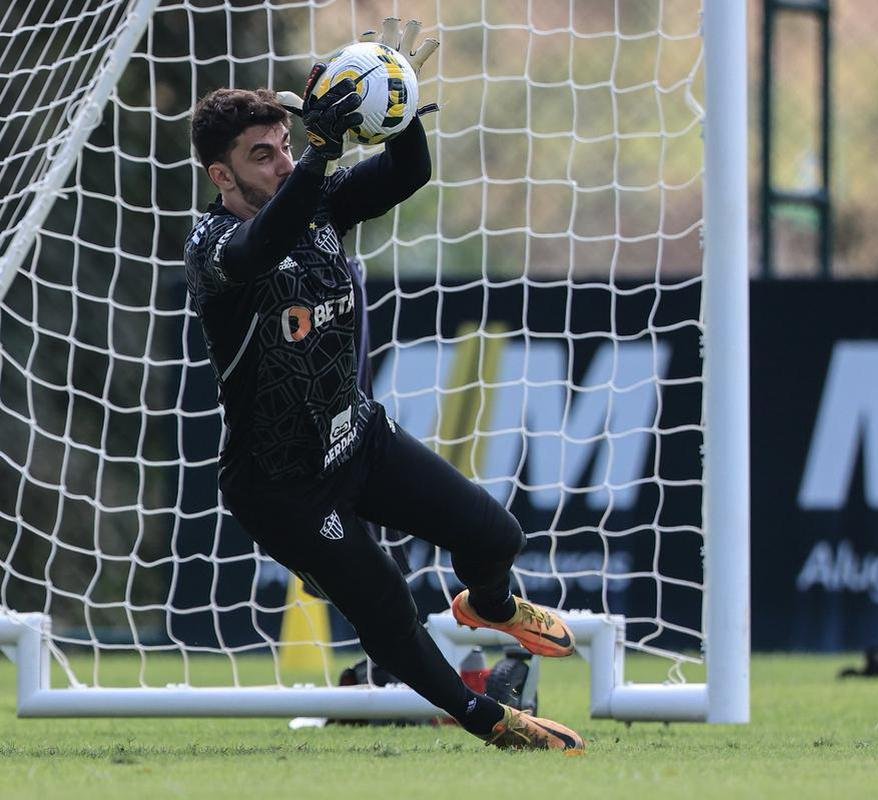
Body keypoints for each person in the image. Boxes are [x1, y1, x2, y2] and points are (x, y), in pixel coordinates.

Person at [183, 19, 584, 752]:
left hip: (358, 439)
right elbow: (257, 251)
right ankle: (489, 720)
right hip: (283, 485)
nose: (279, 164)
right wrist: (319, 154)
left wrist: (394, 102)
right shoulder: (211, 246)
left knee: (497, 536)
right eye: (259, 155)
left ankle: (491, 606)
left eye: (283, 148)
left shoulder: (320, 205)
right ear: (221, 175)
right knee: (388, 612)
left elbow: (409, 175)